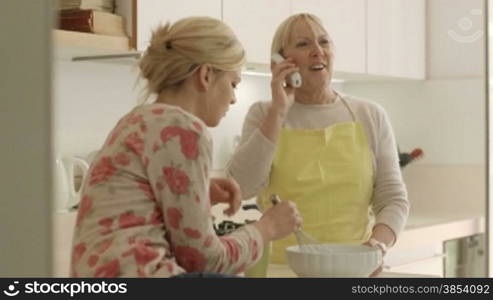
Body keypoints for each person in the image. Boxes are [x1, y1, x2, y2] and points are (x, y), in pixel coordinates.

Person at [70, 16, 302, 278]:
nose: (234, 97)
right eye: (233, 83)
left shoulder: (137, 120)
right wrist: (267, 228)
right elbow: (205, 261)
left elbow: (142, 213)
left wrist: (200, 194)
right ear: (206, 75)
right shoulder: (185, 129)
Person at [226, 13, 409, 275]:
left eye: (324, 42)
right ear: (280, 61)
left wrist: (377, 245)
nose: (317, 51)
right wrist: (278, 111)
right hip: (281, 271)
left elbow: (393, 198)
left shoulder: (370, 114)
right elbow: (242, 188)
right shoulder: (263, 114)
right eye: (303, 44)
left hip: (353, 271)